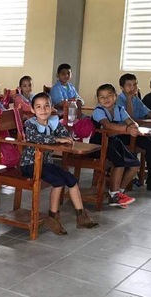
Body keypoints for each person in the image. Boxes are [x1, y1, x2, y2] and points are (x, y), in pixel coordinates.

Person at [21, 92, 98, 234]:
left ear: (51, 108)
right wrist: (56, 139)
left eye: (46, 106)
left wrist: (65, 137)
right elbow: (37, 138)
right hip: (30, 165)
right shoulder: (30, 125)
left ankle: (81, 216)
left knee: (71, 179)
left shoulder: (53, 122)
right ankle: (52, 218)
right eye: (38, 107)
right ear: (33, 110)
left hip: (46, 163)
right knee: (58, 182)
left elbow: (65, 134)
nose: (43, 110)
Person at [90, 84, 141, 207]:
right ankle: (114, 195)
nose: (106, 99)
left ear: (116, 96)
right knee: (120, 162)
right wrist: (127, 129)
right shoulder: (98, 111)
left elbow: (132, 122)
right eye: (102, 97)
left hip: (113, 141)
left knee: (135, 164)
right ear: (97, 99)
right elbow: (107, 125)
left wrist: (134, 127)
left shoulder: (119, 109)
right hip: (98, 145)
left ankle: (119, 192)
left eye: (109, 96)